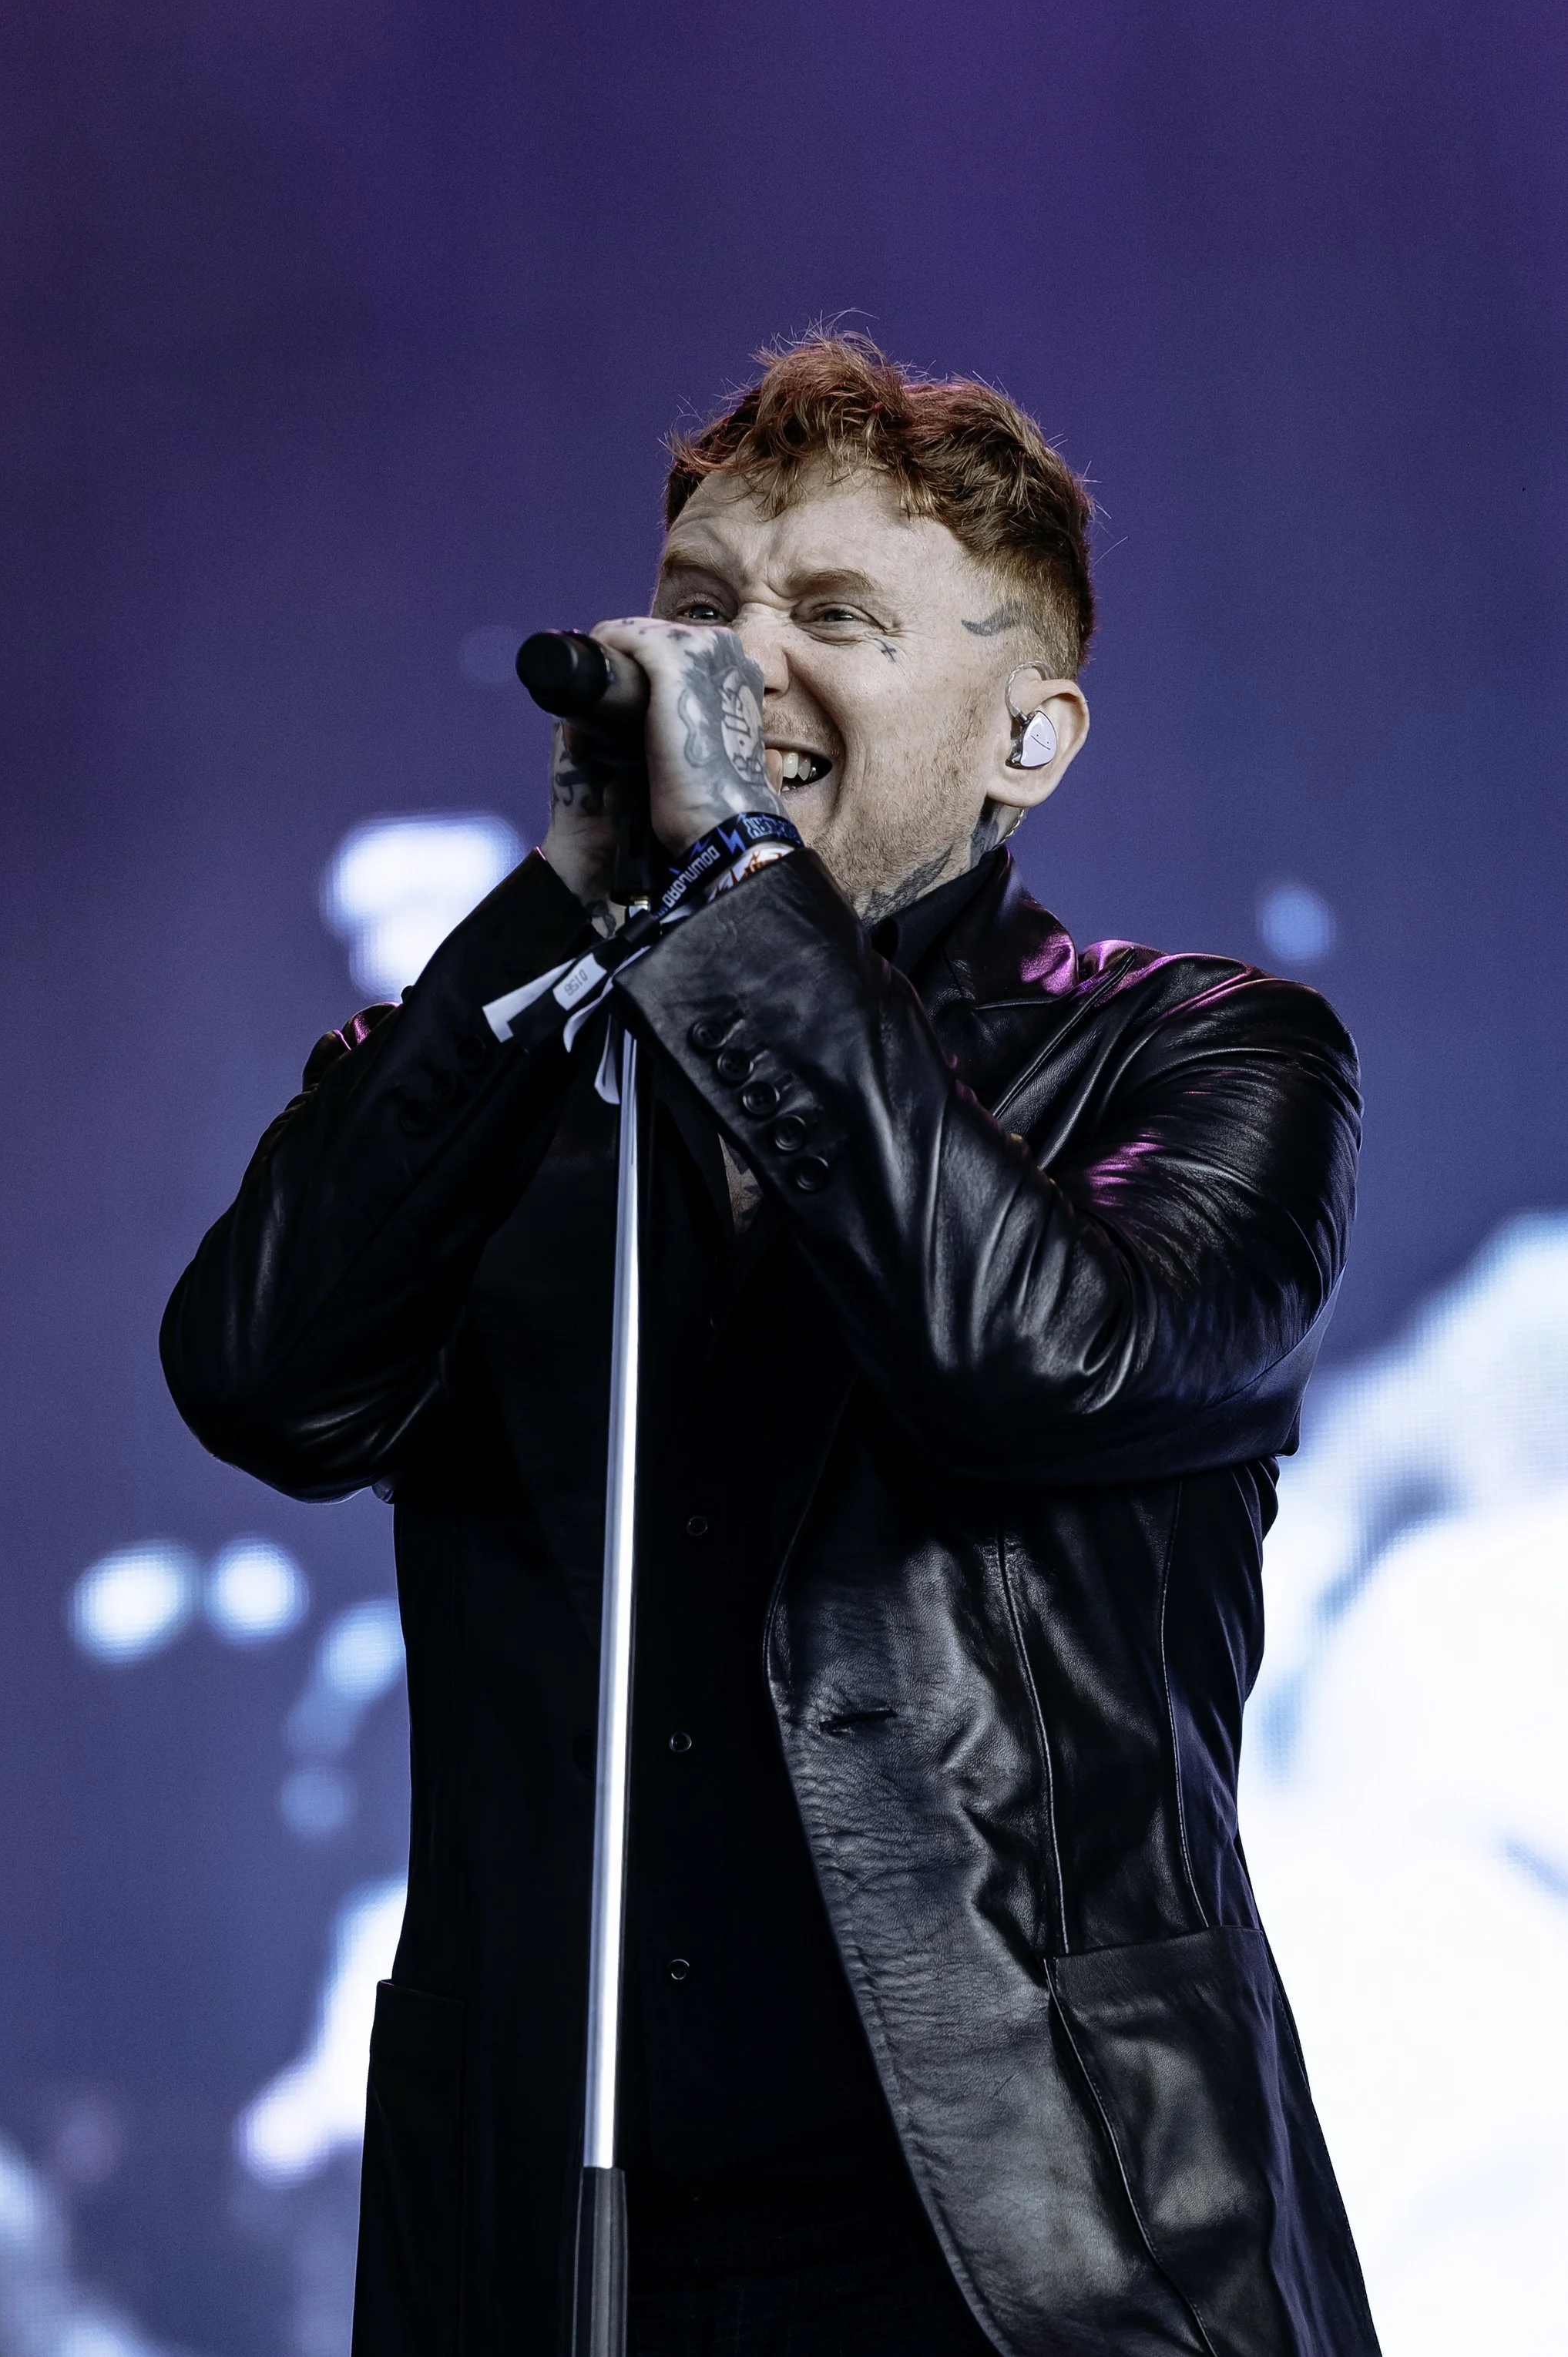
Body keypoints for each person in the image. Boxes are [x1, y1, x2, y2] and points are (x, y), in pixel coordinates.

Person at [160, 334, 1380, 2357]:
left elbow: (1037, 1356)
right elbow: (264, 1378)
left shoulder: (1198, 1055)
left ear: (1025, 736)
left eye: (834, 616)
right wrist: (563, 909)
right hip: (554, 2242)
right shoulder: (490, 1080)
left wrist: (732, 893)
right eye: (703, 609)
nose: (735, 669)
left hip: (1027, 2238)